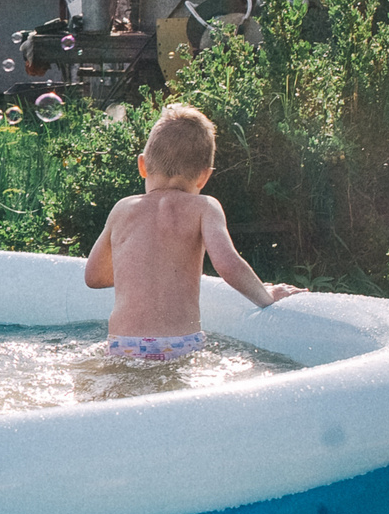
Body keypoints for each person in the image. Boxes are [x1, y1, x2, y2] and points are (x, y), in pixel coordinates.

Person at [82, 102, 299, 363]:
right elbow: (227, 264)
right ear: (204, 177)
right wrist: (267, 296)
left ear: (142, 165)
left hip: (124, 344)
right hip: (179, 344)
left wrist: (141, 271)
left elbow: (93, 276)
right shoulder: (205, 207)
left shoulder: (123, 209)